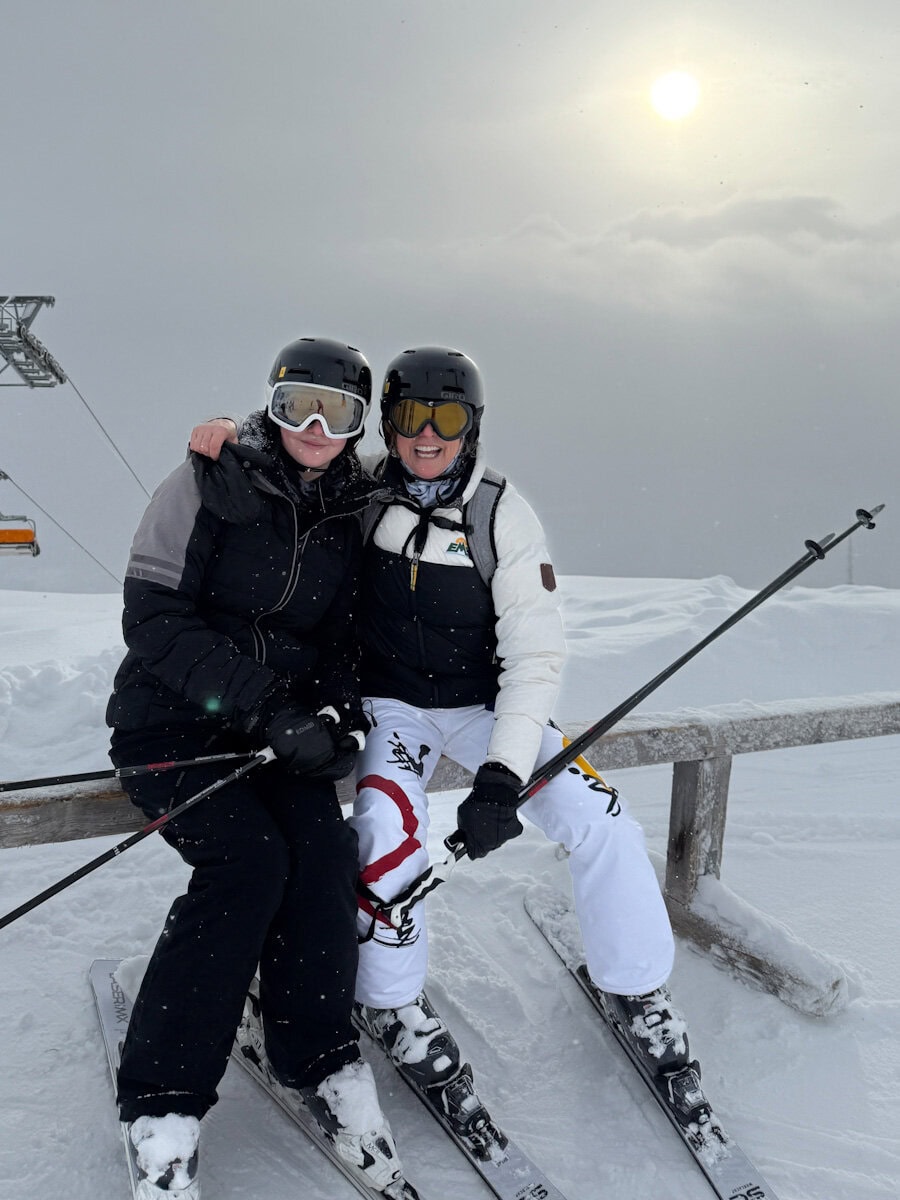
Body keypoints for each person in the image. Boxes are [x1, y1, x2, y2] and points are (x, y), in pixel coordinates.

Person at [191, 346, 691, 1157]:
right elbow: (292, 449)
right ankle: (392, 1002)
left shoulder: (503, 514)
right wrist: (224, 429)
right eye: (411, 419)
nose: (428, 437)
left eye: (448, 419)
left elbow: (535, 657)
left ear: (473, 427)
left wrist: (500, 776)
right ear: (387, 424)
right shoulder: (366, 490)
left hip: (491, 707)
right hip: (396, 706)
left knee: (602, 819)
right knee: (387, 839)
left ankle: (638, 987)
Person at [107, 337, 416, 1200]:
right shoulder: (209, 480)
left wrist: (335, 714)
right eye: (299, 406)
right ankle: (163, 1099)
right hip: (173, 727)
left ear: (357, 428)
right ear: (271, 405)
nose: (315, 428)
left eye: (339, 413)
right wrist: (263, 707)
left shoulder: (351, 511)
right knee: (248, 866)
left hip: (277, 736)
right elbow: (153, 618)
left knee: (322, 861)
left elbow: (341, 637)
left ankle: (316, 1054)